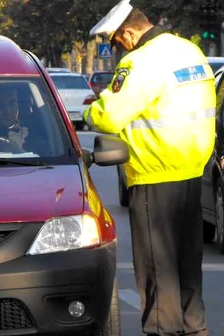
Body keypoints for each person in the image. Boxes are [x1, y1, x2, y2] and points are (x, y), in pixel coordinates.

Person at [83, 1, 216, 335]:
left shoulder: (140, 62)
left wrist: (89, 114)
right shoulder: (190, 52)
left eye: (114, 43)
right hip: (191, 172)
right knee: (187, 266)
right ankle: (195, 327)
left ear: (127, 33)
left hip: (154, 175)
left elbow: (110, 116)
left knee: (157, 268)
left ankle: (163, 330)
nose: (116, 51)